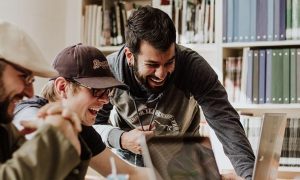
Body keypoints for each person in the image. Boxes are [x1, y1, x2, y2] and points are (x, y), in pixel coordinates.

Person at [93, 6, 255, 180]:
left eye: (169, 62)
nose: (161, 74)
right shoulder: (109, 73)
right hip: (130, 167)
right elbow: (92, 126)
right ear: (130, 56)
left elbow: (225, 121)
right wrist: (122, 139)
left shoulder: (193, 67)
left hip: (184, 163)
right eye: (152, 65)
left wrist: (249, 175)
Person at [13, 44, 149, 179]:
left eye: (108, 91)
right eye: (97, 90)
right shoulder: (31, 114)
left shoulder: (80, 124)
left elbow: (130, 174)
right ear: (62, 87)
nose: (106, 100)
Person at [0, 20, 83, 179]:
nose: (30, 93)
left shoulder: (5, 128)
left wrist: (70, 137)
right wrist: (55, 135)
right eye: (24, 76)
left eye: (31, 80)